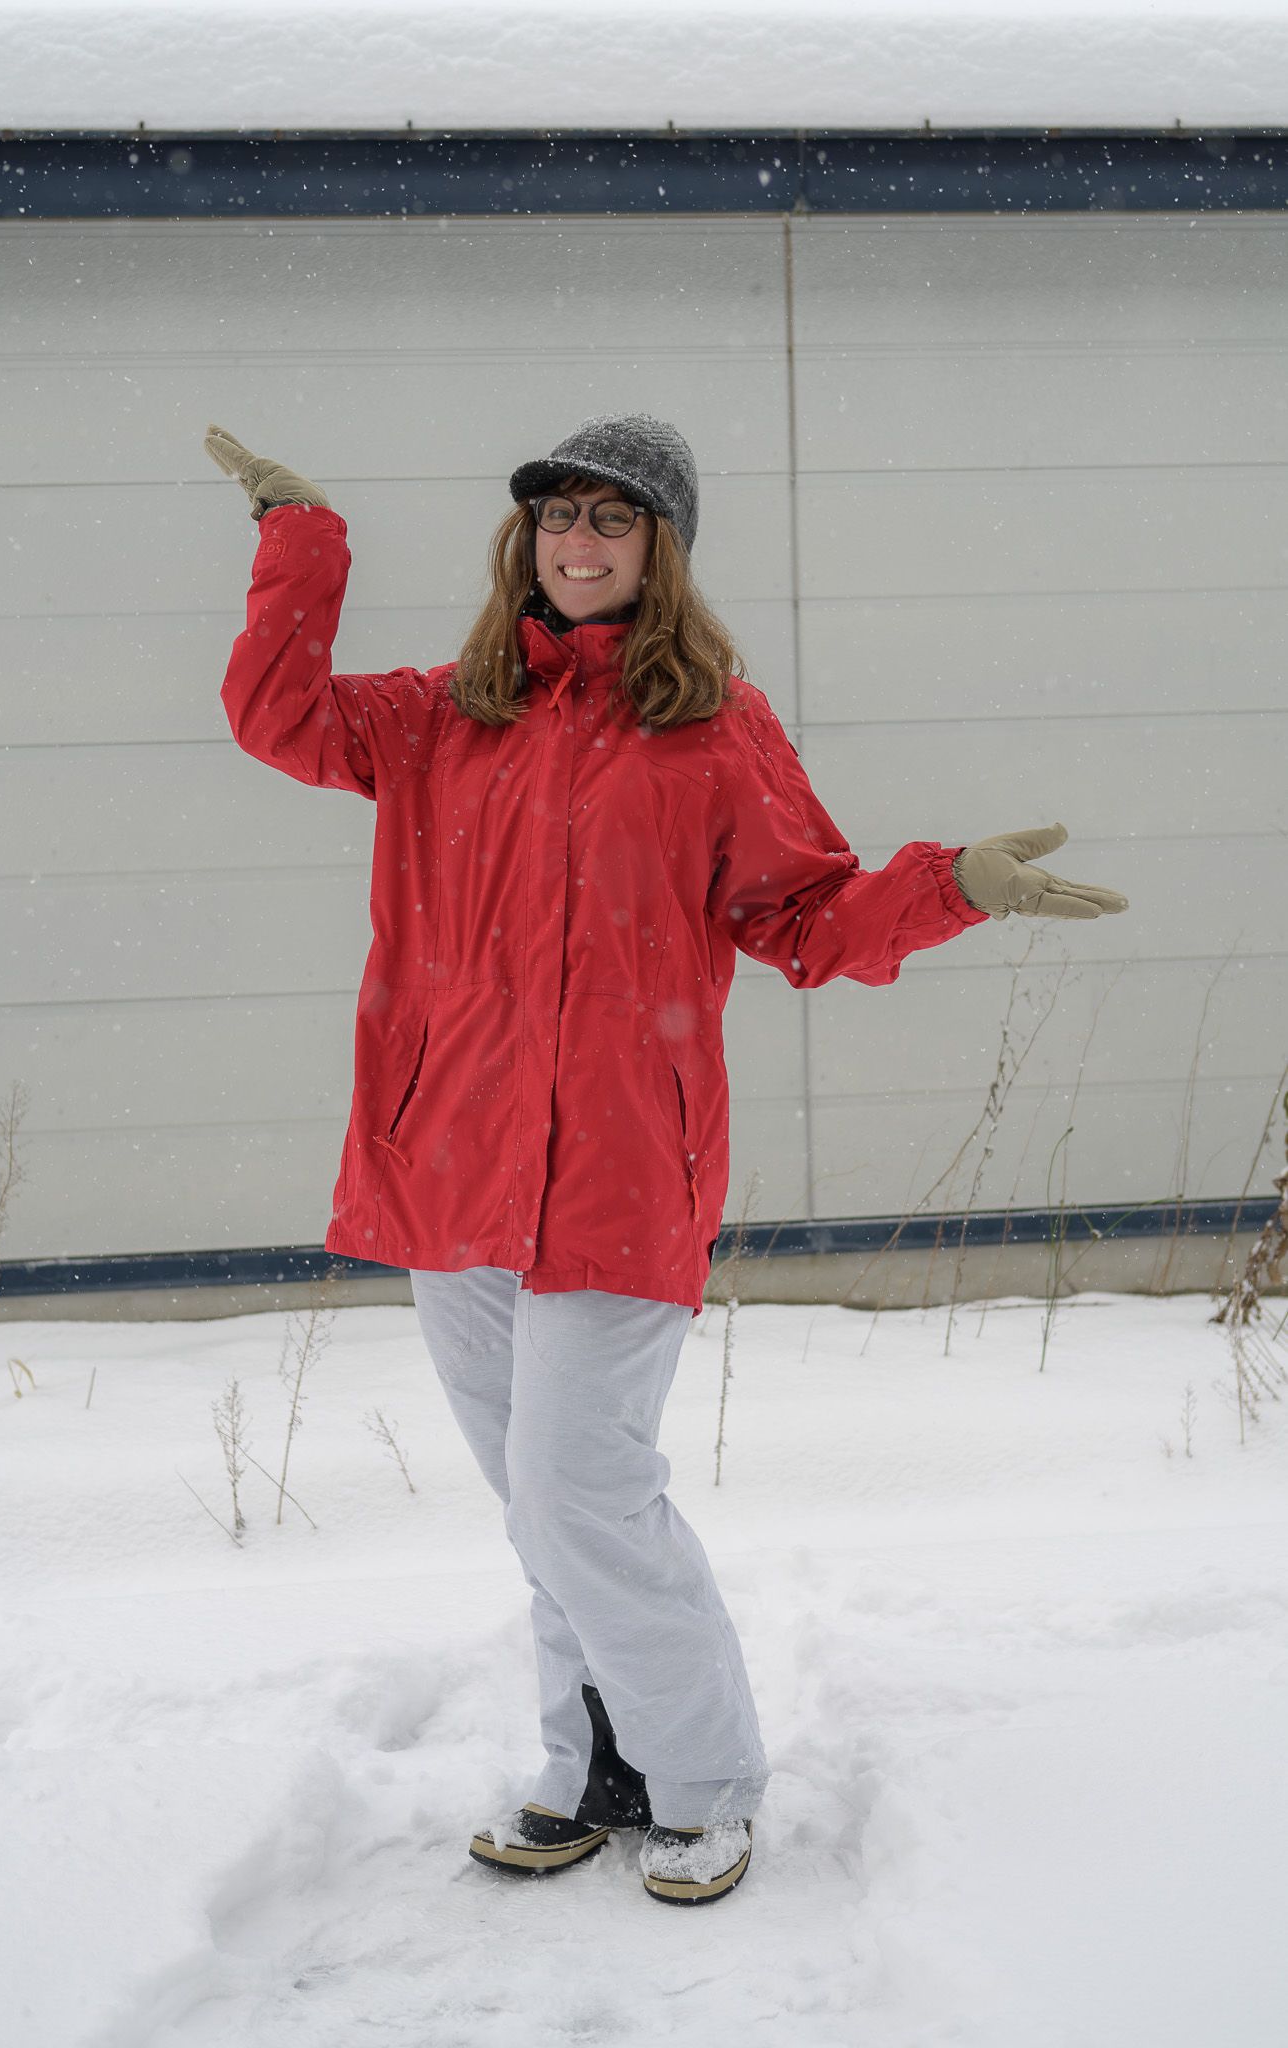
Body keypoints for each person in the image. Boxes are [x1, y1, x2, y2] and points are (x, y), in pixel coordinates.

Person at [206, 414, 1129, 1906]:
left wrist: (952, 885)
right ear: (527, 540)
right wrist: (301, 537)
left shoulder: (714, 732)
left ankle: (704, 1783)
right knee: (540, 1504)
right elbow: (275, 714)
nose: (579, 541)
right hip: (453, 1168)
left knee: (582, 1492)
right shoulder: (445, 716)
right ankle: (593, 1768)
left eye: (613, 520)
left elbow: (806, 922)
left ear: (662, 552)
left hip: (621, 1175)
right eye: (559, 515)